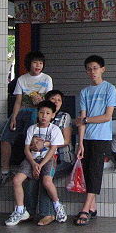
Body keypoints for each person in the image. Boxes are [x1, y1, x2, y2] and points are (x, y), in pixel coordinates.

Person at [0, 51, 52, 187]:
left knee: (31, 139)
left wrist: (41, 101)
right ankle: (5, 172)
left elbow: (49, 101)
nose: (38, 65)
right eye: (35, 62)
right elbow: (18, 102)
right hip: (22, 112)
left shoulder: (47, 79)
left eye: (41, 63)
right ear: (29, 64)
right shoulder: (22, 79)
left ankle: (31, 168)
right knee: (5, 138)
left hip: (38, 112)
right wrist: (13, 116)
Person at [4, 100, 66, 226]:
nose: (44, 116)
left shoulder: (55, 130)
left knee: (47, 181)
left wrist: (40, 165)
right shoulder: (32, 128)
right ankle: (20, 210)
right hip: (31, 159)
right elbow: (26, 148)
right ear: (37, 113)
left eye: (48, 113)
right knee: (17, 180)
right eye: (41, 112)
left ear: (53, 115)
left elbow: (53, 150)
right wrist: (33, 164)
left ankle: (57, 205)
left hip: (48, 160)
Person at [74, 55, 116, 226]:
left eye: (95, 68)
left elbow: (107, 116)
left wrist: (85, 121)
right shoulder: (84, 92)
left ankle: (85, 209)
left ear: (102, 69)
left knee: (94, 172)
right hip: (87, 138)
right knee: (86, 172)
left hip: (102, 137)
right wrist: (80, 142)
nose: (92, 71)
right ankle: (93, 207)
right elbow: (82, 118)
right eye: (89, 69)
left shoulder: (110, 89)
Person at [24, 89, 74, 225]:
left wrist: (45, 143)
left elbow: (66, 140)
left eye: (59, 100)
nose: (56, 102)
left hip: (63, 160)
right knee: (32, 175)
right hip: (41, 159)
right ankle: (29, 212)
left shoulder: (65, 116)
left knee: (45, 177)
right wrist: (35, 145)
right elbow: (31, 141)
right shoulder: (39, 117)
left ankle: (49, 214)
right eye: (53, 99)